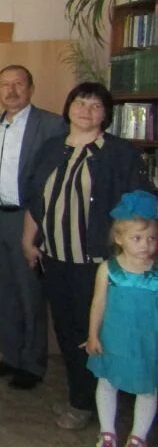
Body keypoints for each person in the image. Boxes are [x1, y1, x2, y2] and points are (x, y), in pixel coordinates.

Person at [22, 82, 150, 430]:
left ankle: (109, 397)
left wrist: (137, 252)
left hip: (99, 263)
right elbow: (36, 200)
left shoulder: (119, 153)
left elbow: (140, 207)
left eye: (95, 106)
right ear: (69, 107)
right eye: (80, 103)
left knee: (100, 330)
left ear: (106, 115)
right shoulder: (51, 149)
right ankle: (82, 399)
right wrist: (28, 240)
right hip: (56, 258)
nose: (86, 111)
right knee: (67, 330)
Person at [0, 64, 65, 391]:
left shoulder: (51, 124)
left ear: (30, 88)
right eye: (5, 85)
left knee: (30, 290)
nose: (11, 90)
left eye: (18, 84)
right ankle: (12, 356)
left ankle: (32, 362)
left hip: (29, 217)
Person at [85, 191, 158, 447]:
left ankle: (138, 436)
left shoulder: (156, 273)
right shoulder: (108, 269)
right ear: (119, 238)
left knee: (148, 388)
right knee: (107, 382)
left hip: (147, 341)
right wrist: (93, 334)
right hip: (114, 339)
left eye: (151, 238)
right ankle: (107, 432)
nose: (145, 244)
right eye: (137, 238)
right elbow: (98, 304)